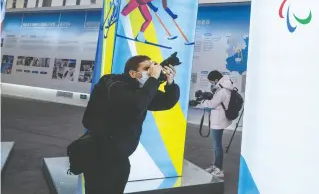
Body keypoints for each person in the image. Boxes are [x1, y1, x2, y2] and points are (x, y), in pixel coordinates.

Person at [81, 55, 180, 194]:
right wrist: (153, 79)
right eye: (147, 69)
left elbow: (166, 102)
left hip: (119, 157)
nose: (152, 71)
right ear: (133, 73)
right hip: (100, 155)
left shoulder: (139, 89)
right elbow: (136, 106)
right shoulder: (115, 86)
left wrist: (170, 83)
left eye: (153, 67)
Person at [201, 70, 234, 178]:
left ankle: (219, 169)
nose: (212, 84)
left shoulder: (222, 90)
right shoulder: (223, 88)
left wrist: (201, 102)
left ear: (216, 80)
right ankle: (216, 166)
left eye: (212, 82)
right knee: (216, 145)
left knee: (217, 146)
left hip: (218, 121)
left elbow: (212, 103)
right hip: (219, 119)